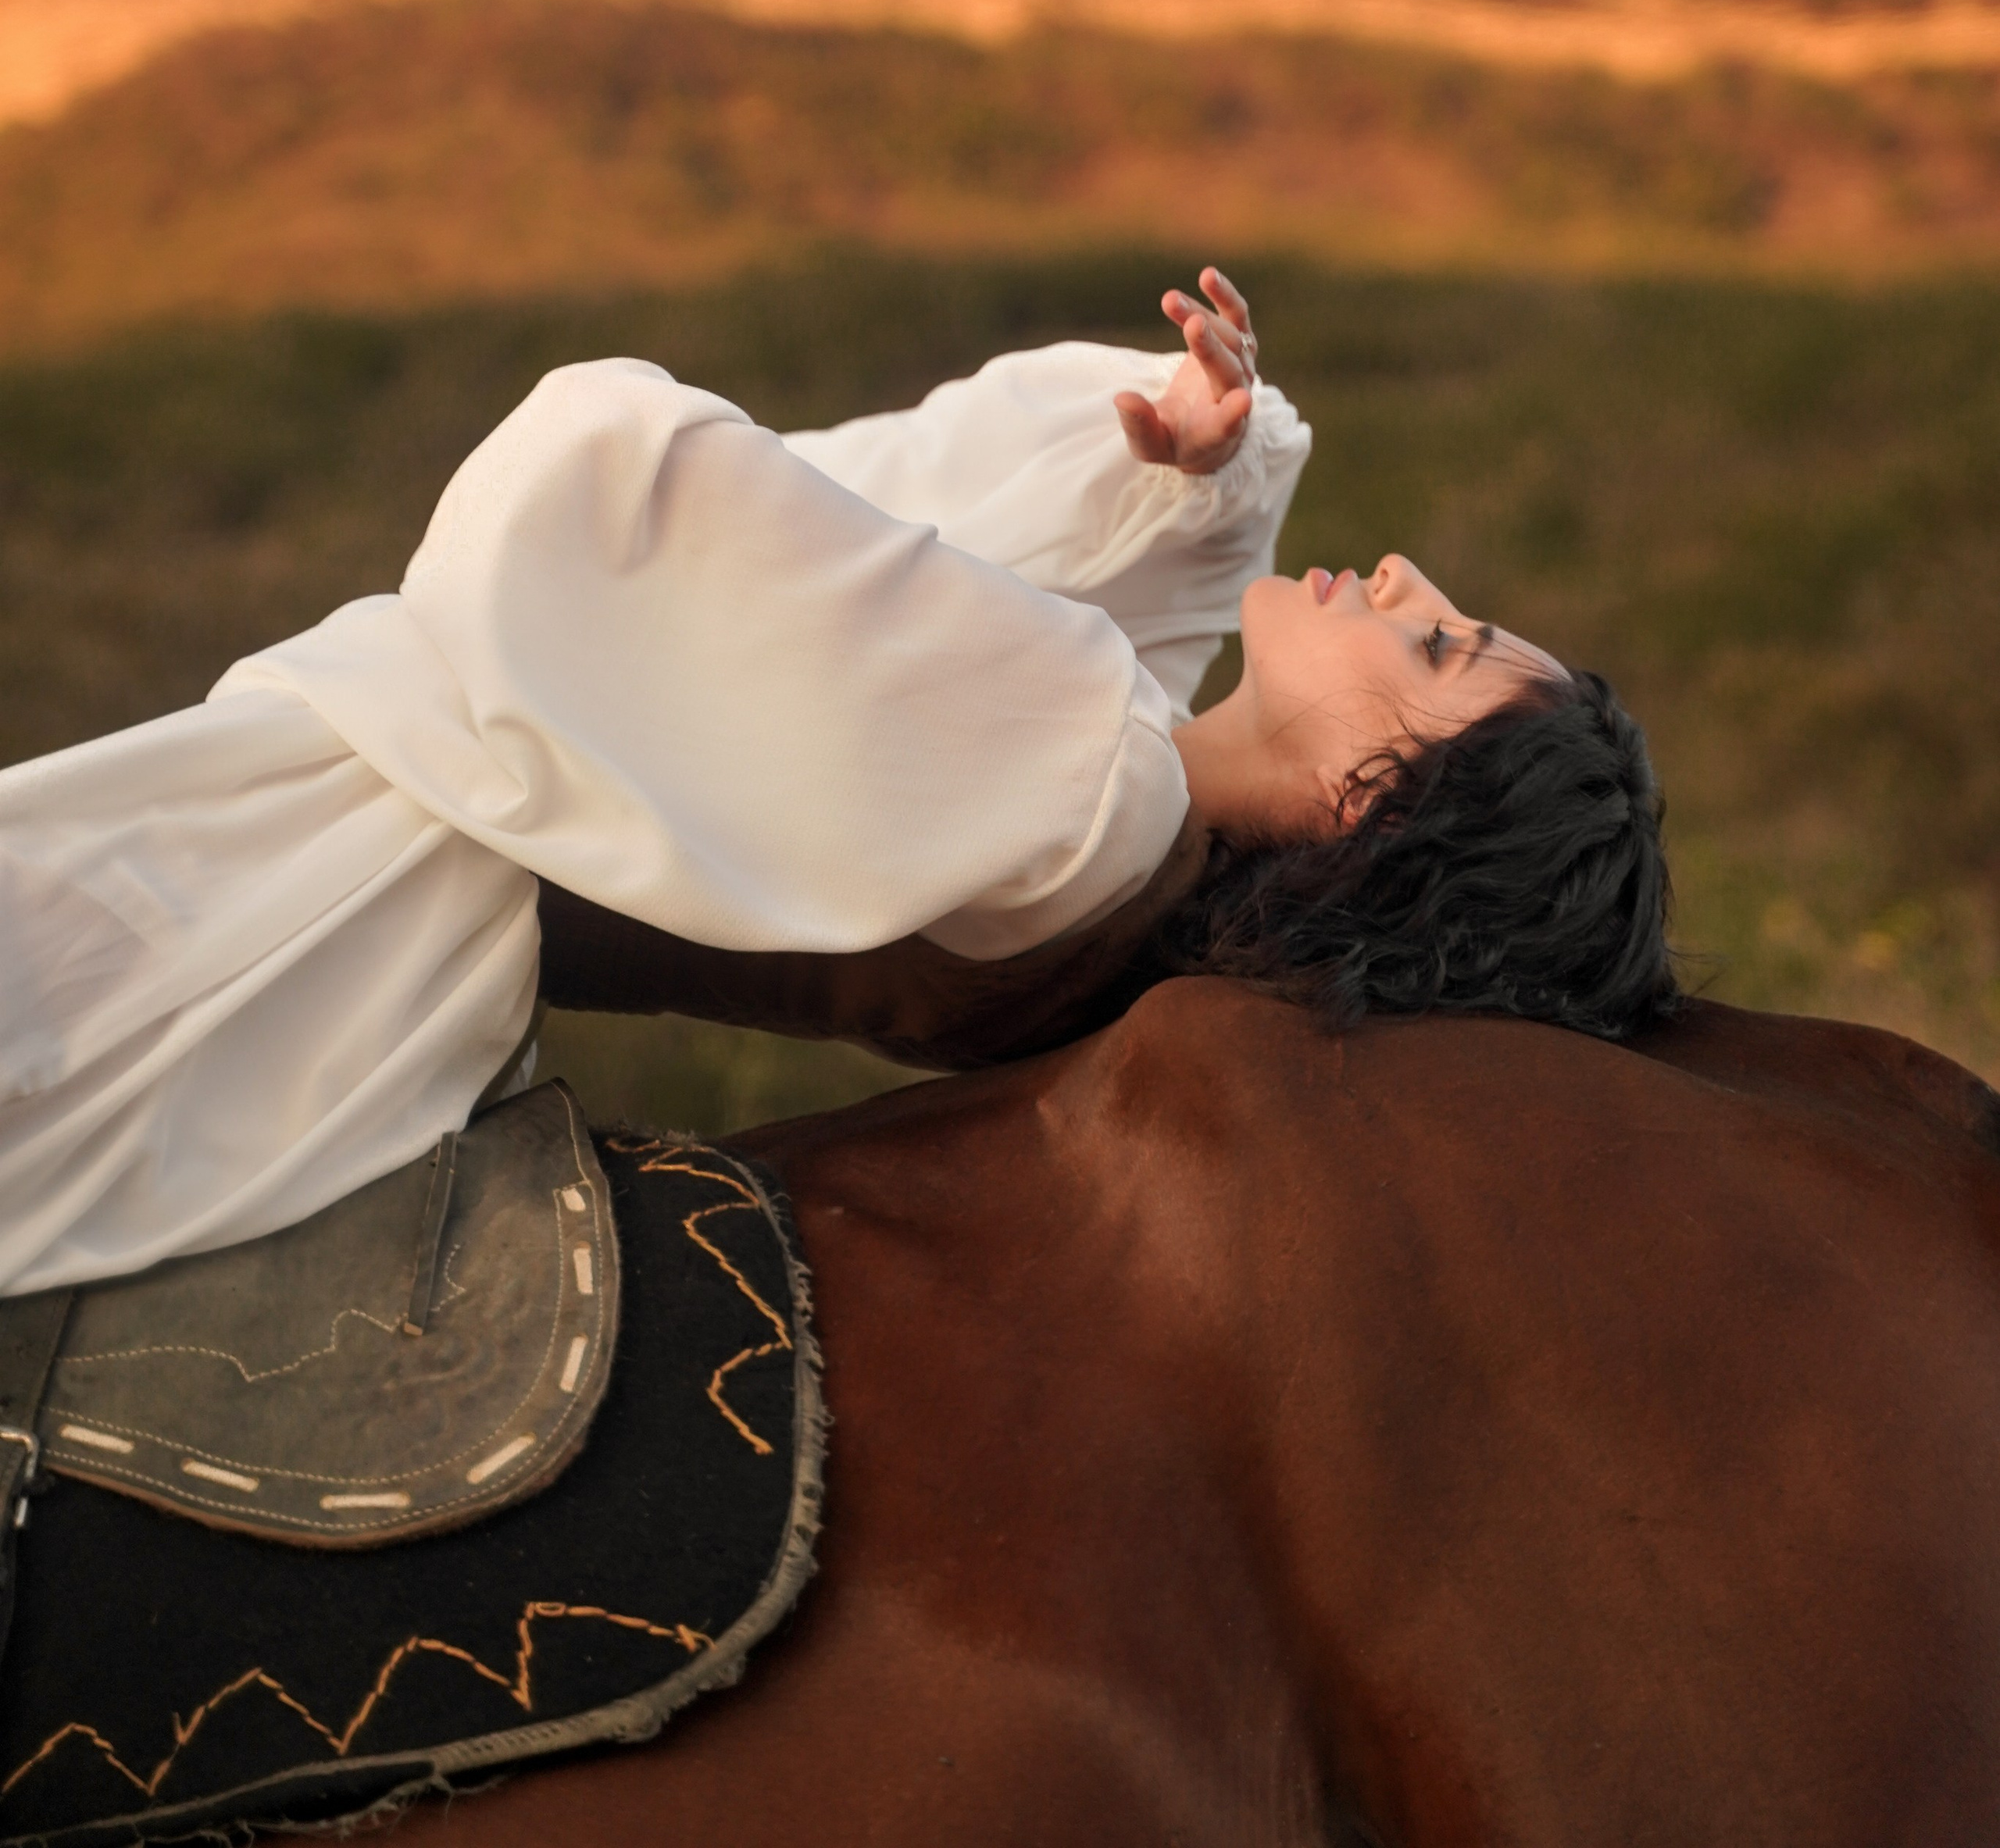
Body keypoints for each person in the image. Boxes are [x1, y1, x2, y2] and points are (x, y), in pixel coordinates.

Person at [0, 269, 1670, 1303]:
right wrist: (1187, 476)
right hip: (383, 927)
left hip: (324, 893)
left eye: (1439, 648)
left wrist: (634, 449)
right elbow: (985, 601)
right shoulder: (1111, 813)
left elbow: (619, 476)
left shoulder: (1082, 789)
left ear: (1367, 799)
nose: (1397, 574)